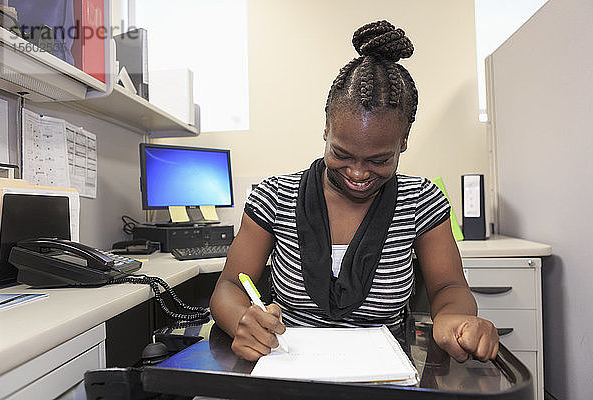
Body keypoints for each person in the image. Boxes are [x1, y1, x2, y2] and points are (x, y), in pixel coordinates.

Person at [210, 20, 498, 363]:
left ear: (403, 141)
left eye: (379, 160)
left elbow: (448, 288)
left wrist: (453, 319)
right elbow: (228, 286)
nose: (358, 173)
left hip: (383, 373)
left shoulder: (421, 200)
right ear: (327, 128)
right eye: (342, 154)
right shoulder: (273, 197)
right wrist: (242, 320)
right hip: (288, 365)